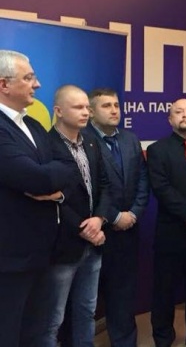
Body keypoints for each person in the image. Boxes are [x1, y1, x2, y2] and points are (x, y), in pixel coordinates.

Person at [0, 50, 73, 347]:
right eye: (29, 78)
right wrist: (47, 179)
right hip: (9, 259)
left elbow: (68, 165)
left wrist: (54, 187)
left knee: (37, 332)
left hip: (43, 253)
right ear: (4, 84)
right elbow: (36, 178)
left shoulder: (33, 125)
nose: (38, 84)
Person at [35, 85, 112, 347]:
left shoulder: (91, 141)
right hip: (63, 246)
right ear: (58, 111)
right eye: (78, 107)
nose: (86, 113)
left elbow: (105, 185)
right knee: (52, 319)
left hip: (94, 242)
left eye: (87, 108)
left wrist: (99, 219)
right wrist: (83, 228)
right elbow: (50, 196)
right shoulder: (45, 145)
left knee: (86, 311)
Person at [86, 88, 150, 347]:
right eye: (106, 106)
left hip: (128, 232)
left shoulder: (130, 139)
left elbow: (142, 179)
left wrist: (133, 213)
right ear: (91, 112)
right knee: (86, 299)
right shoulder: (83, 139)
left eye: (116, 105)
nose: (114, 110)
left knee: (123, 296)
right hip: (95, 232)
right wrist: (113, 217)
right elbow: (89, 187)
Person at [147, 98, 186, 347]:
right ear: (170, 119)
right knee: (164, 290)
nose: (185, 115)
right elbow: (161, 188)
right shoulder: (157, 150)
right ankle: (163, 337)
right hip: (171, 233)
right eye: (179, 112)